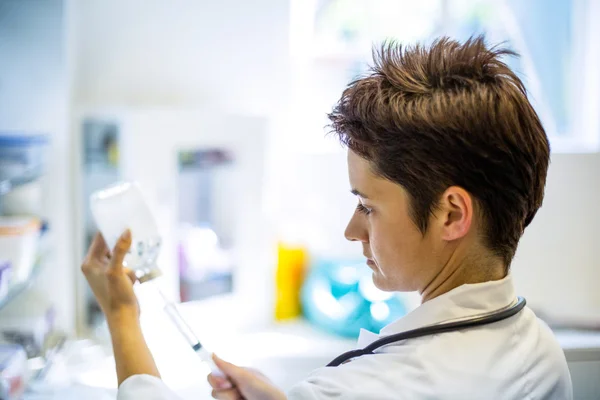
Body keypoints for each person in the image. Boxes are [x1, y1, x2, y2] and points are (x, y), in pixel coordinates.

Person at [82, 36, 573, 399]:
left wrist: (122, 317)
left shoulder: (378, 387)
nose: (352, 230)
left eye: (367, 207)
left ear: (451, 214)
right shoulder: (541, 352)